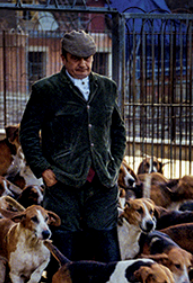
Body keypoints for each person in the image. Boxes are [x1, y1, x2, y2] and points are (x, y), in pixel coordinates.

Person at [20, 29, 126, 266]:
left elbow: (118, 131)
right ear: (63, 58)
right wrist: (43, 170)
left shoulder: (107, 88)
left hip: (102, 184)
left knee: (107, 252)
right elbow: (27, 132)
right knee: (65, 253)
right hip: (63, 184)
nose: (82, 64)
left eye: (87, 58)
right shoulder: (46, 89)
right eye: (76, 58)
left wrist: (114, 165)